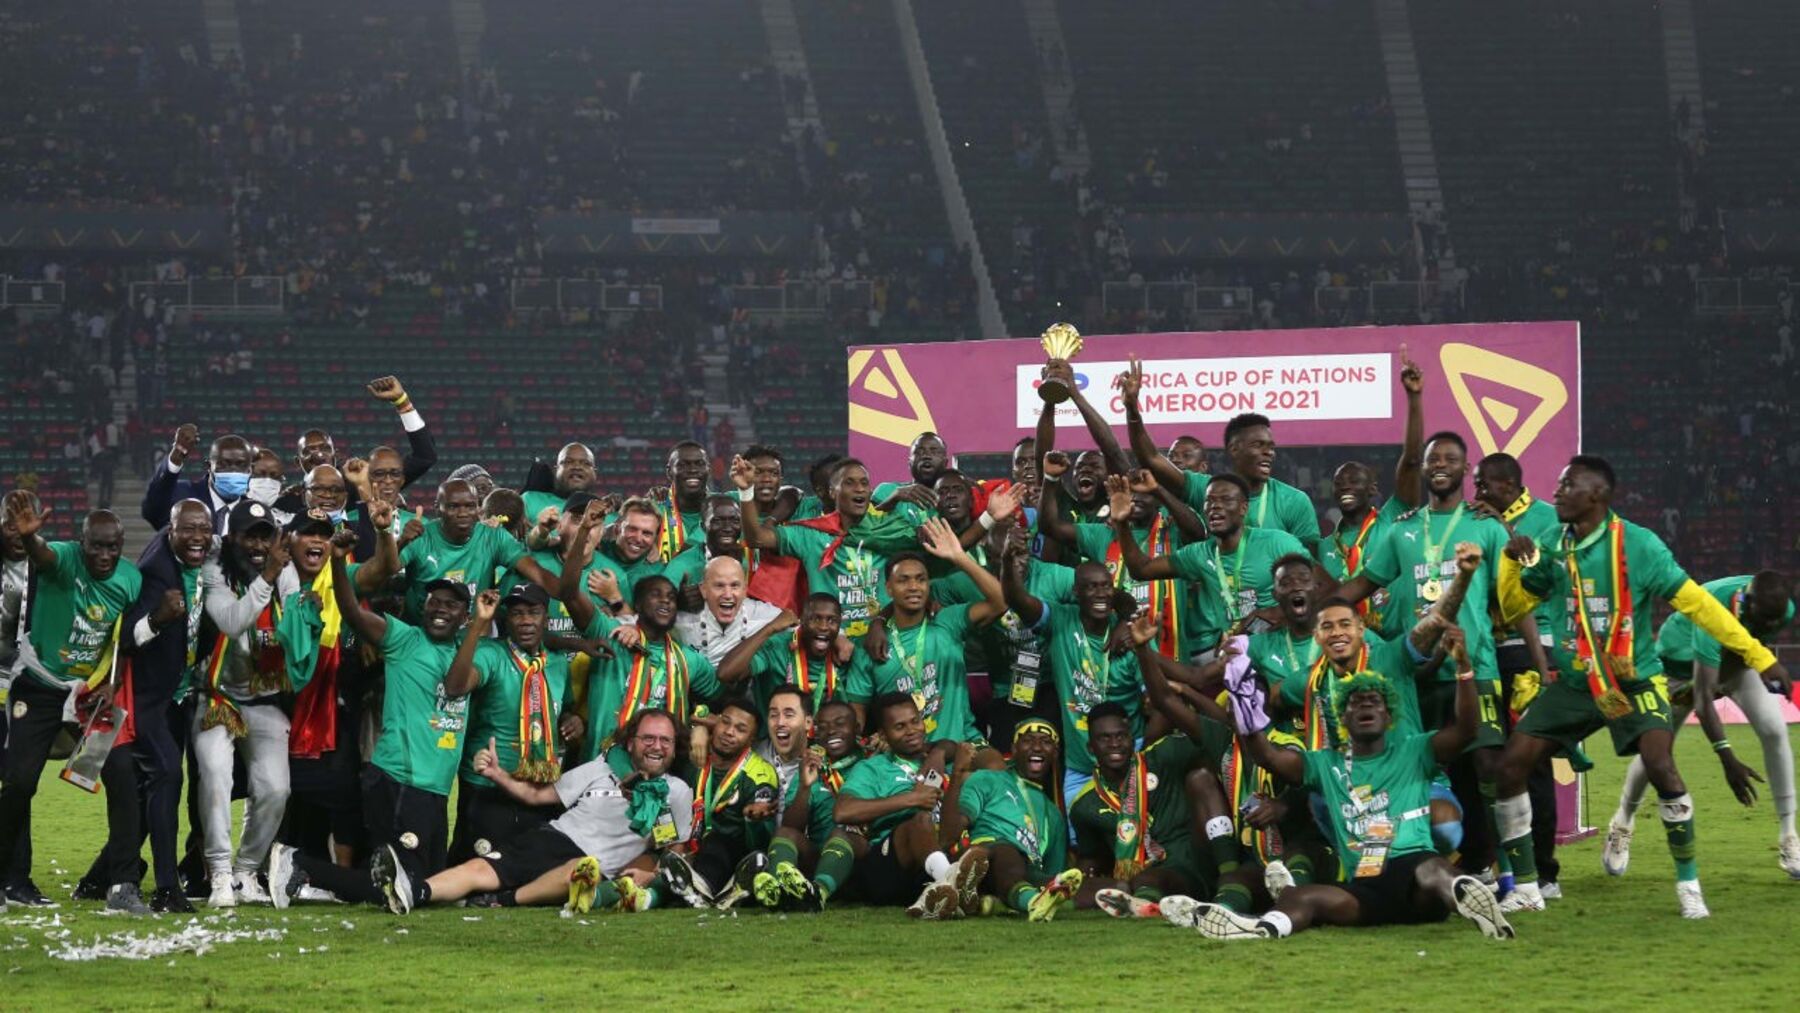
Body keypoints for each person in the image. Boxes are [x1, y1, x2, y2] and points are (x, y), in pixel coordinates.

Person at [1493, 455, 1789, 917]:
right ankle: (1528, 889)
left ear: (1598, 495)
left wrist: (1759, 655)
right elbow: (1513, 607)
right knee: (1511, 764)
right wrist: (1512, 565)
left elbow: (1699, 605)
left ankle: (1689, 884)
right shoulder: (1551, 543)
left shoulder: (1639, 545)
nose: (1557, 491)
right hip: (1576, 682)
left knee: (1660, 763)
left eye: (1568, 484)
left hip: (1632, 680)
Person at [1165, 632, 1514, 941]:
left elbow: (1467, 729)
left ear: (1389, 716)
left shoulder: (1415, 749)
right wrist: (1246, 711)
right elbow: (1269, 758)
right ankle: (1260, 929)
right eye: (1354, 703)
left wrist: (1465, 670)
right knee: (1300, 897)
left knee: (1433, 869)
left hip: (1416, 877)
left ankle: (1466, 899)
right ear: (1342, 718)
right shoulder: (1325, 763)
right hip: (1365, 888)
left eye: (1374, 702)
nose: (1364, 705)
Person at [1334, 430, 1515, 878]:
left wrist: (1512, 531)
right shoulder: (1402, 530)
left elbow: (1516, 595)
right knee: (1426, 770)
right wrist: (1314, 607)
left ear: (1465, 469)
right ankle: (1432, 864)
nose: (1440, 465)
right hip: (1415, 676)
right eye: (1434, 459)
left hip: (1474, 666)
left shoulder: (1486, 526)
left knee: (1488, 767)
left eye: (1450, 459)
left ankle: (1508, 871)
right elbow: (1363, 585)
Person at [269, 531, 476, 908]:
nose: (440, 609)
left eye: (451, 605)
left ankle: (303, 868)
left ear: (466, 617)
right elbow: (350, 612)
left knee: (427, 886)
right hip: (399, 779)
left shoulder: (469, 655)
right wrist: (336, 561)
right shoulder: (404, 638)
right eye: (434, 602)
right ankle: (299, 863)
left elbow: (459, 686)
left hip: (435, 789)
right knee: (405, 889)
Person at [353, 708, 694, 914]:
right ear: (631, 741)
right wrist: (497, 774)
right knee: (478, 867)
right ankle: (412, 893)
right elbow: (537, 796)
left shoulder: (676, 792)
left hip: (595, 866)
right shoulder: (600, 768)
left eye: (665, 741)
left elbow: (672, 848)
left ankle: (504, 900)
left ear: (674, 747)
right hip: (552, 838)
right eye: (648, 738)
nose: (656, 747)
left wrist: (650, 875)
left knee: (580, 870)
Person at [0, 498, 146, 915]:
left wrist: (113, 684)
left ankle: (122, 885)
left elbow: (122, 640)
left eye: (112, 548)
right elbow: (42, 555)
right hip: (40, 687)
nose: (103, 556)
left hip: (91, 695)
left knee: (122, 776)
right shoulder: (63, 559)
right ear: (81, 542)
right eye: (95, 547)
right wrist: (30, 537)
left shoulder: (130, 580)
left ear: (121, 546)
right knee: (20, 781)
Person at [1608, 571, 1797, 878]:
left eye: (1772, 625)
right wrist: (1728, 758)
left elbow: (1747, 646)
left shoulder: (1780, 609)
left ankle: (1789, 834)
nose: (1767, 628)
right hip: (1678, 667)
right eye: (1761, 621)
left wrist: (1757, 662)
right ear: (1746, 604)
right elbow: (1703, 698)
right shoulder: (1712, 607)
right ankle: (1622, 821)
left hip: (1732, 662)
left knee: (1775, 729)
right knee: (1655, 752)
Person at [558, 503, 727, 758]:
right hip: (601, 770)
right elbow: (569, 594)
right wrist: (584, 532)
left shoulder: (688, 660)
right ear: (636, 605)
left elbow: (724, 697)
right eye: (655, 595)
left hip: (661, 777)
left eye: (671, 597)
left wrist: (701, 723)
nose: (666, 601)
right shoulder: (612, 637)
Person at [117, 498, 216, 912]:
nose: (197, 538)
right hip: (147, 698)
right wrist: (157, 620)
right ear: (169, 531)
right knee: (167, 776)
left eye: (203, 529)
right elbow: (124, 641)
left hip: (179, 695)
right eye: (187, 530)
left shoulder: (206, 563)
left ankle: (102, 877)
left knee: (152, 791)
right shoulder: (155, 571)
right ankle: (166, 887)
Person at [1472, 450, 1563, 893]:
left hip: (1534, 649)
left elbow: (1530, 573)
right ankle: (1500, 866)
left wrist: (1502, 527)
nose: (1477, 494)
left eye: (1482, 485)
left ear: (1506, 486)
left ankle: (1545, 872)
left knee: (1532, 761)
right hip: (1489, 651)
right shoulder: (1479, 521)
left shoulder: (1545, 518)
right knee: (1491, 763)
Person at [441, 585, 584, 865]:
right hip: (488, 783)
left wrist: (573, 720)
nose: (526, 621)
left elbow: (562, 710)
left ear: (546, 617)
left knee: (529, 867)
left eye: (533, 612)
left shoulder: (556, 663)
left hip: (539, 785)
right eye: (517, 613)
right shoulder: (490, 654)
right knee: (476, 865)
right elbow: (454, 687)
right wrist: (479, 624)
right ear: (506, 620)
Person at [843, 521, 1008, 744]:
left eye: (921, 579)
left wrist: (959, 557)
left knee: (993, 769)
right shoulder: (871, 645)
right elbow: (858, 711)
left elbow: (1001, 602)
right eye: (904, 580)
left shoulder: (949, 621)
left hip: (962, 743)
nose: (914, 587)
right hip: (903, 754)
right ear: (888, 588)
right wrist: (857, 741)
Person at [1000, 548, 1143, 801]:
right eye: (1091, 587)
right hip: (1081, 768)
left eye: (1106, 587)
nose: (1100, 594)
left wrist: (1142, 752)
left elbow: (1159, 704)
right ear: (1076, 593)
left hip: (1128, 759)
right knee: (1079, 836)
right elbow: (1018, 600)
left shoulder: (1132, 638)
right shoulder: (1060, 621)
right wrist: (1007, 565)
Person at [804, 693, 965, 909]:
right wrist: (911, 799)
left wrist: (939, 753)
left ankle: (947, 890)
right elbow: (843, 811)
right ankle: (951, 886)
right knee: (919, 821)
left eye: (915, 721)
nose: (911, 731)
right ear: (883, 735)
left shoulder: (934, 756)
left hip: (934, 851)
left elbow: (955, 747)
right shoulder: (873, 768)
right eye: (899, 727)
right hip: (890, 862)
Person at [736, 455, 920, 638]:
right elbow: (756, 539)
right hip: (830, 643)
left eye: (864, 483)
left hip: (882, 640)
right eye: (850, 483)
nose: (860, 489)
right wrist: (746, 492)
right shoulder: (811, 534)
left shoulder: (887, 529)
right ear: (832, 492)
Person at [1113, 473, 1305, 648]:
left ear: (1243, 508)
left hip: (1284, 652)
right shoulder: (1199, 554)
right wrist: (1121, 522)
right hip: (1236, 655)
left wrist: (1277, 612)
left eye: (1225, 500)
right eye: (1209, 501)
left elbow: (1323, 587)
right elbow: (1141, 569)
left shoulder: (1277, 543)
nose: (1215, 506)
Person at [1314, 348, 1427, 628]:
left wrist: (1414, 398)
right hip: (1347, 645)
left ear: (1373, 488)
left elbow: (1412, 461)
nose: (1345, 488)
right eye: (1339, 484)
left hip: (1394, 642)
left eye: (1354, 481)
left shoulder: (1393, 518)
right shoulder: (1324, 546)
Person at [926, 719, 1081, 922]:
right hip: (981, 863)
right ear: (1014, 749)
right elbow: (948, 836)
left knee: (1094, 887)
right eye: (1028, 741)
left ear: (1055, 753)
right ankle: (1031, 902)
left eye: (1046, 742)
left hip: (1026, 872)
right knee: (1005, 851)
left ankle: (1000, 902)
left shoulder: (1054, 815)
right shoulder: (988, 779)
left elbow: (1053, 874)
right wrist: (957, 774)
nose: (1036, 747)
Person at [649, 696, 780, 909]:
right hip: (683, 846)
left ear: (752, 739)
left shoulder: (760, 774)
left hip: (730, 854)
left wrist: (753, 819)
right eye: (725, 722)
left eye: (740, 729)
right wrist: (697, 727)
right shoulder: (693, 756)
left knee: (717, 841)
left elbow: (760, 841)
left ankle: (698, 890)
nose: (729, 732)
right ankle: (666, 889)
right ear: (715, 722)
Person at [396, 478, 555, 623]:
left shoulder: (493, 537)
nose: (463, 513)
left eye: (469, 506)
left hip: (475, 637)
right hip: (423, 634)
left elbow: (538, 575)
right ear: (438, 507)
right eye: (454, 506)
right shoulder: (419, 536)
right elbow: (386, 571)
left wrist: (570, 595)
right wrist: (400, 541)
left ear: (478, 509)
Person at [755, 696, 863, 910]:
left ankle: (817, 894)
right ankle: (778, 892)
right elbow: (791, 826)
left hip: (862, 858)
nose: (831, 731)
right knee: (784, 834)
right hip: (820, 858)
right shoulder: (811, 766)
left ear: (857, 727)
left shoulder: (871, 759)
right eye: (822, 727)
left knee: (841, 835)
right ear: (814, 733)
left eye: (840, 724)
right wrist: (805, 787)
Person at [720, 594, 847, 718]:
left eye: (832, 620)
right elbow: (726, 673)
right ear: (802, 620)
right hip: (773, 736)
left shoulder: (843, 654)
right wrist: (769, 629)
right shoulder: (778, 647)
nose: (823, 627)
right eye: (815, 619)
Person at [1210, 412, 1320, 554]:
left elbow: (1309, 564)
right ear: (1234, 449)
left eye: (1271, 447)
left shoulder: (1295, 501)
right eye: (1258, 445)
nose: (1269, 452)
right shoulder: (1209, 498)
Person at [673, 557, 783, 666]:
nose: (727, 595)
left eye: (734, 586)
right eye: (719, 586)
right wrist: (675, 602)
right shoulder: (681, 621)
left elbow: (793, 625)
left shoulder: (765, 616)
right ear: (704, 590)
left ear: (744, 590)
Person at [141, 427, 252, 532]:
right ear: (209, 466)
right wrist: (175, 458)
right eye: (224, 464)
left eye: (240, 465)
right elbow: (152, 512)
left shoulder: (253, 511)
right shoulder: (182, 495)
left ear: (250, 470)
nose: (233, 471)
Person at [662, 494, 759, 592]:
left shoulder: (747, 560)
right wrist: (680, 602)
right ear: (703, 527)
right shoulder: (682, 566)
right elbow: (661, 601)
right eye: (717, 521)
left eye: (735, 521)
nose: (727, 528)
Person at [872, 431, 950, 526]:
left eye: (934, 452)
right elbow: (866, 526)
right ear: (909, 463)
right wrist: (895, 498)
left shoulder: (953, 498)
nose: (926, 456)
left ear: (945, 463)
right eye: (919, 452)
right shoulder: (887, 491)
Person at [656, 440, 712, 562]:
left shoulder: (727, 508)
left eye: (699, 464)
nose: (692, 470)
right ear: (669, 472)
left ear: (709, 469)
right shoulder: (655, 512)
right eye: (682, 465)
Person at [521, 443, 597, 523]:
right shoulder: (529, 501)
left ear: (595, 472)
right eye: (568, 462)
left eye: (586, 463)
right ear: (556, 470)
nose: (577, 467)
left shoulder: (607, 512)